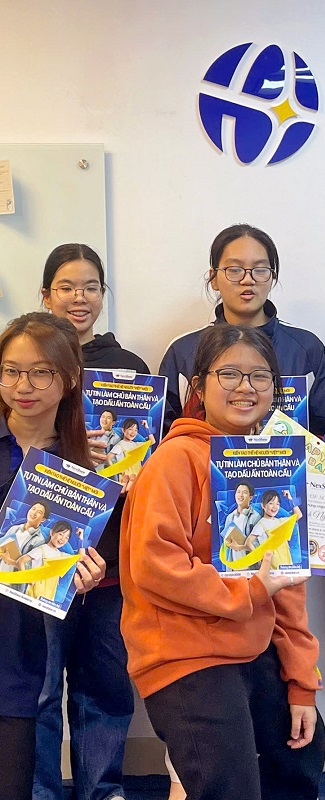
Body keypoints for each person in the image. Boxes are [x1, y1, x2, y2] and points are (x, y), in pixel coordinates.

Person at [120, 324, 325, 800]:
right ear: (199, 386)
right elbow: (154, 565)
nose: (245, 387)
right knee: (231, 785)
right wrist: (249, 591)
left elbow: (286, 584)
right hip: (186, 654)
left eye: (260, 376)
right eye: (229, 374)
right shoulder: (175, 459)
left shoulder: (274, 465)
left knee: (300, 760)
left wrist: (302, 683)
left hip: (253, 646)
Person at [35, 242, 148, 800]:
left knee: (105, 684)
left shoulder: (129, 368)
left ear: (103, 294)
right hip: (43, 556)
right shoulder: (28, 364)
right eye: (66, 287)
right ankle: (38, 789)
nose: (79, 298)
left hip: (109, 555)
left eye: (90, 287)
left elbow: (148, 454)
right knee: (37, 689)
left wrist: (135, 469)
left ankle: (102, 789)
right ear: (46, 295)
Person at [0, 312, 106, 800]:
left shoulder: (82, 463)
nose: (24, 386)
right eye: (11, 370)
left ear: (69, 378)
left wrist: (86, 573)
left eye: (41, 372)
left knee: (13, 776)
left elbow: (78, 552)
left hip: (25, 643)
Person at [159, 223, 325, 437]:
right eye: (234, 270)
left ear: (272, 278)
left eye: (260, 270)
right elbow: (164, 435)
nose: (247, 280)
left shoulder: (306, 348)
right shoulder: (183, 351)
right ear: (213, 279)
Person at [246, 488, 303, 569]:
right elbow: (248, 543)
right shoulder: (261, 524)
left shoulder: (280, 521)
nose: (275, 507)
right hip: (272, 567)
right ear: (263, 505)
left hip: (286, 564)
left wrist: (290, 498)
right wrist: (260, 559)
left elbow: (298, 515)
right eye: (271, 503)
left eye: (277, 504)